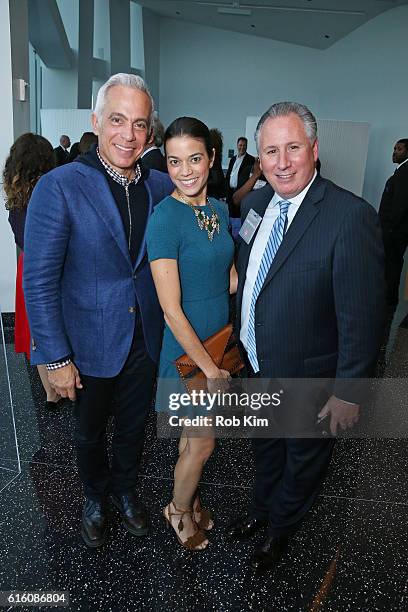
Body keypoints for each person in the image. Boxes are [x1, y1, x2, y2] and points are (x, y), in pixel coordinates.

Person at [228, 101, 385, 571]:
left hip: (311, 377)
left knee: (302, 460)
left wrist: (348, 391)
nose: (282, 162)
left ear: (314, 150)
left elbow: (362, 318)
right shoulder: (256, 205)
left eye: (292, 147)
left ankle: (280, 529)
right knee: (265, 446)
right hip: (256, 366)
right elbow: (252, 274)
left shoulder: (348, 217)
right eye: (271, 151)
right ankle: (261, 508)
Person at [23, 73, 173, 548]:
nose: (128, 135)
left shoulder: (163, 187)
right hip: (86, 343)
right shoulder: (60, 185)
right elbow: (39, 280)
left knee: (133, 428)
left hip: (145, 338)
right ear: (96, 121)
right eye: (117, 120)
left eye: (139, 124)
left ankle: (126, 492)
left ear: (150, 132)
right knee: (88, 434)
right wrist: (56, 358)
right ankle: (94, 495)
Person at [146, 117, 237, 550]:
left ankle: (188, 497)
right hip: (188, 354)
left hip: (218, 342)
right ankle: (178, 511)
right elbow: (170, 309)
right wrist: (210, 369)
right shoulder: (164, 218)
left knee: (192, 439)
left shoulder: (218, 209)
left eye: (194, 158)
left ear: (212, 158)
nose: (185, 170)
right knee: (203, 444)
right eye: (175, 161)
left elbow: (230, 277)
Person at [3, 133, 63, 410]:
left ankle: (50, 394)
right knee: (55, 324)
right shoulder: (51, 192)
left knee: (37, 330)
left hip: (26, 266)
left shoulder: (15, 199)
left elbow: (21, 238)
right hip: (52, 264)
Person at [378, 138, 408, 318]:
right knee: (391, 266)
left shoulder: (404, 173)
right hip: (393, 232)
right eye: (394, 148)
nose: (395, 152)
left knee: (392, 266)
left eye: (399, 149)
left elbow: (400, 205)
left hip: (394, 234)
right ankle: (389, 301)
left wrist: (389, 232)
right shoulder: (400, 172)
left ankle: (389, 303)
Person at [226, 137, 255, 217]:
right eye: (240, 145)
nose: (242, 147)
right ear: (237, 146)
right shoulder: (232, 159)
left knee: (239, 217)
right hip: (230, 192)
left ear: (247, 146)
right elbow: (228, 175)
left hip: (242, 193)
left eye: (244, 145)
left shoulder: (251, 160)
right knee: (231, 216)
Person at [207, 128, 227, 200]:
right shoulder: (217, 156)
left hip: (211, 194)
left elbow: (215, 179)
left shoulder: (212, 157)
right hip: (216, 195)